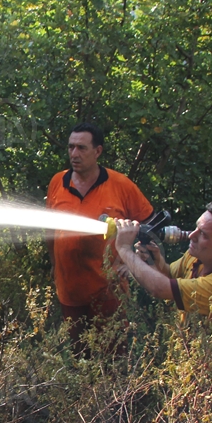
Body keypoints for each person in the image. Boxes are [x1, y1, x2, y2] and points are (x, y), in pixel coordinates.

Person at [46, 123, 153, 346]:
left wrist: (135, 260)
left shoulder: (121, 185)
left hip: (110, 294)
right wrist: (54, 265)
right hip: (70, 293)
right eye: (71, 147)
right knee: (78, 361)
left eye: (81, 148)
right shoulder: (58, 182)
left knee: (113, 362)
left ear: (98, 151)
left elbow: (150, 225)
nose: (74, 154)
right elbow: (50, 229)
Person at [112, 199, 212, 340]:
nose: (192, 236)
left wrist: (124, 250)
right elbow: (170, 275)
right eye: (196, 228)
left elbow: (161, 289)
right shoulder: (199, 255)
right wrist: (154, 262)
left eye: (203, 235)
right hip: (197, 357)